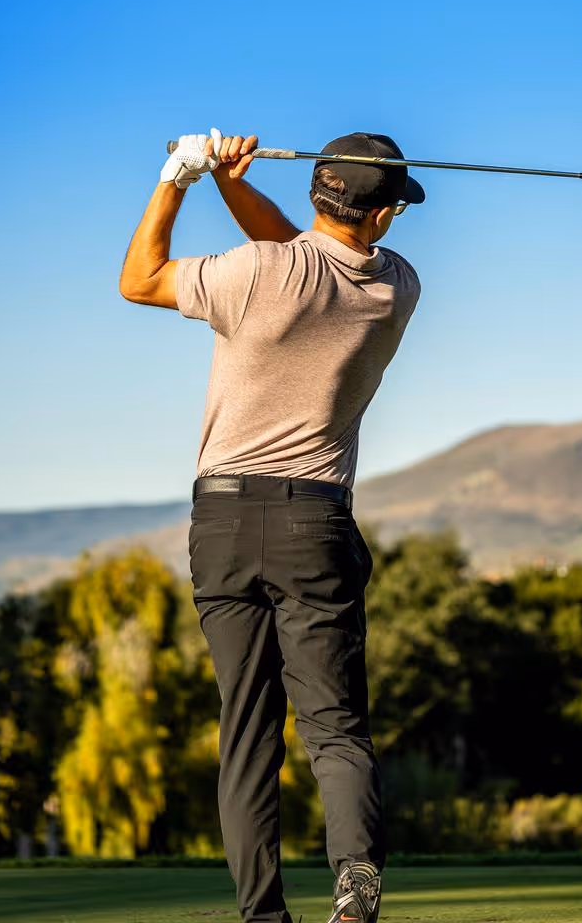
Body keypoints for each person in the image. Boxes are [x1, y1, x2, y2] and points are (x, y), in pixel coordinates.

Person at [119, 129, 424, 923]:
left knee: (246, 730)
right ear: (383, 214)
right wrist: (225, 182)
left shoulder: (258, 273)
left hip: (219, 520)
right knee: (333, 724)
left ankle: (262, 915)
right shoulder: (396, 285)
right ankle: (355, 883)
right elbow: (305, 255)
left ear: (319, 191)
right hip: (314, 522)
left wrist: (181, 179)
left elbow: (138, 280)